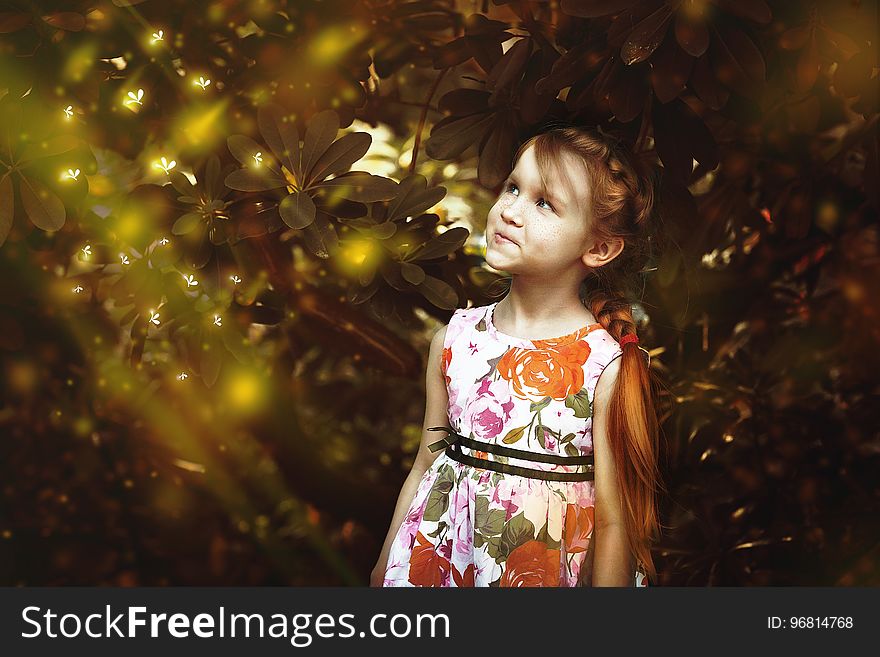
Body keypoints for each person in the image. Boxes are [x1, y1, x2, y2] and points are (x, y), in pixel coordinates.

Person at [371, 125, 663, 587]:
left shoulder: (604, 366)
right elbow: (427, 466)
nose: (509, 211)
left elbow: (613, 523)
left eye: (543, 202)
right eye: (512, 187)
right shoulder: (454, 339)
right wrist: (384, 565)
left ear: (599, 247)